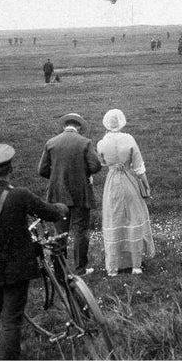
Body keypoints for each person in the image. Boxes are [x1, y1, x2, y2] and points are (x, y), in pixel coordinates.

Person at [0, 144, 68, 360]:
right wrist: (62, 208)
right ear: (11, 169)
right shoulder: (21, 195)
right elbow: (50, 212)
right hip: (17, 269)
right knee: (11, 322)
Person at [38, 113, 102, 275]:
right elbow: (95, 166)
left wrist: (56, 178)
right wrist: (84, 173)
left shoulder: (51, 142)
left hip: (58, 193)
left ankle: (60, 270)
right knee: (80, 231)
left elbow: (42, 170)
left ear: (64, 125)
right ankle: (80, 269)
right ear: (79, 127)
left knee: (59, 233)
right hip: (80, 192)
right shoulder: (85, 142)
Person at [96, 109, 156, 276]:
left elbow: (100, 162)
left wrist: (112, 164)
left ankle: (114, 268)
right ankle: (136, 265)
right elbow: (138, 166)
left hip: (112, 183)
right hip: (129, 181)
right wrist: (146, 185)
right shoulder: (128, 139)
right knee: (133, 217)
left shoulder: (102, 143)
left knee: (114, 218)